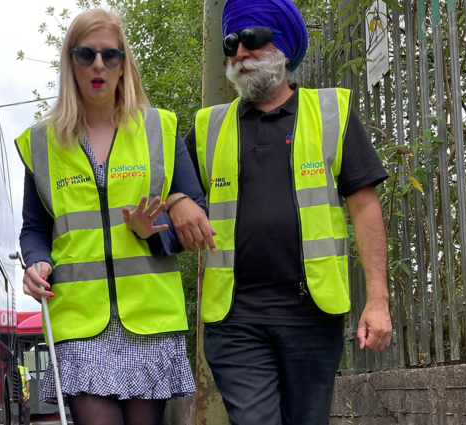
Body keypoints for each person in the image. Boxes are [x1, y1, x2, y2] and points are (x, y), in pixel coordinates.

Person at [167, 0, 393, 423]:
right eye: (231, 43)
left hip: (313, 317)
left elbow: (364, 207)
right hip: (235, 321)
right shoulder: (206, 127)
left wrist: (377, 301)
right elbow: (170, 195)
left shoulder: (331, 113)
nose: (239, 53)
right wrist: (178, 200)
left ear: (283, 47)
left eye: (251, 40)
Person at [15, 8, 206, 425]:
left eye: (110, 55)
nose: (98, 65)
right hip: (79, 320)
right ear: (71, 64)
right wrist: (36, 261)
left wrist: (153, 232)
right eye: (85, 55)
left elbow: (197, 214)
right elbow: (34, 228)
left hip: (149, 319)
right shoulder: (42, 143)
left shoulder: (160, 129)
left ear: (124, 64)